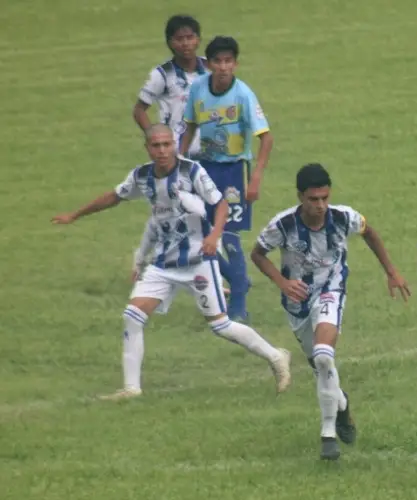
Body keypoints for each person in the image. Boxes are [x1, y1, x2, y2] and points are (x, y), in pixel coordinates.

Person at [51, 124, 291, 400]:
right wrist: (75, 215)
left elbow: (221, 203)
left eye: (167, 144)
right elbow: (113, 197)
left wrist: (214, 235)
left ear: (174, 145)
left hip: (199, 259)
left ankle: (276, 356)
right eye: (156, 146)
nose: (162, 150)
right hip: (164, 262)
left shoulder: (192, 171)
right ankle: (131, 388)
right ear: (148, 149)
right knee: (132, 316)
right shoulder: (141, 176)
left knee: (220, 325)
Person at [250, 163, 410, 460]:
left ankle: (328, 434)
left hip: (330, 292)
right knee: (319, 366)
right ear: (300, 197)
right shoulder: (282, 225)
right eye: (313, 199)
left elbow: (370, 233)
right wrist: (282, 282)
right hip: (297, 303)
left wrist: (392, 272)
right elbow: (257, 254)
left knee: (324, 355)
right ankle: (342, 405)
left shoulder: (343, 217)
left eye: (325, 197)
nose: (321, 205)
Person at [180, 35, 273, 322]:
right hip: (203, 168)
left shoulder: (243, 94)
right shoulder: (198, 89)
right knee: (196, 231)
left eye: (228, 61)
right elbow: (190, 127)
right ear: (208, 64)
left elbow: (266, 138)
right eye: (218, 62)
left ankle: (239, 303)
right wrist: (179, 164)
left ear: (235, 63)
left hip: (234, 171)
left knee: (228, 234)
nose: (223, 67)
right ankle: (238, 279)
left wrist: (255, 177)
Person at [133, 14, 207, 157]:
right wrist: (157, 139)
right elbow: (139, 111)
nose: (185, 43)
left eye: (190, 37)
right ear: (169, 42)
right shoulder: (162, 74)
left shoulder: (211, 68)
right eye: (179, 39)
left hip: (211, 152)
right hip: (177, 154)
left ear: (198, 40)